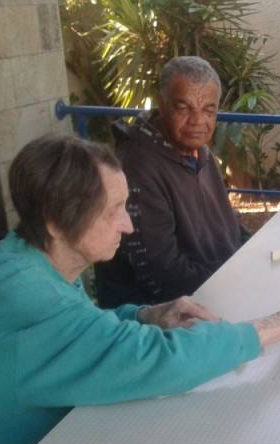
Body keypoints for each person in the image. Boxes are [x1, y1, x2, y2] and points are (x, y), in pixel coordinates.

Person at [0, 135, 280, 444]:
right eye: (113, 211)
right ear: (55, 222)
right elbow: (161, 359)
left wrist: (145, 316)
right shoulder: (26, 299)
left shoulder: (23, 262)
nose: (128, 224)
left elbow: (81, 329)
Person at [95, 56, 247, 307]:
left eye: (208, 110)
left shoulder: (199, 152)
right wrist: (238, 278)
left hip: (214, 288)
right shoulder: (137, 167)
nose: (197, 121)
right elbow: (164, 279)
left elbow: (229, 227)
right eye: (184, 108)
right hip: (157, 318)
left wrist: (256, 252)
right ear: (163, 105)